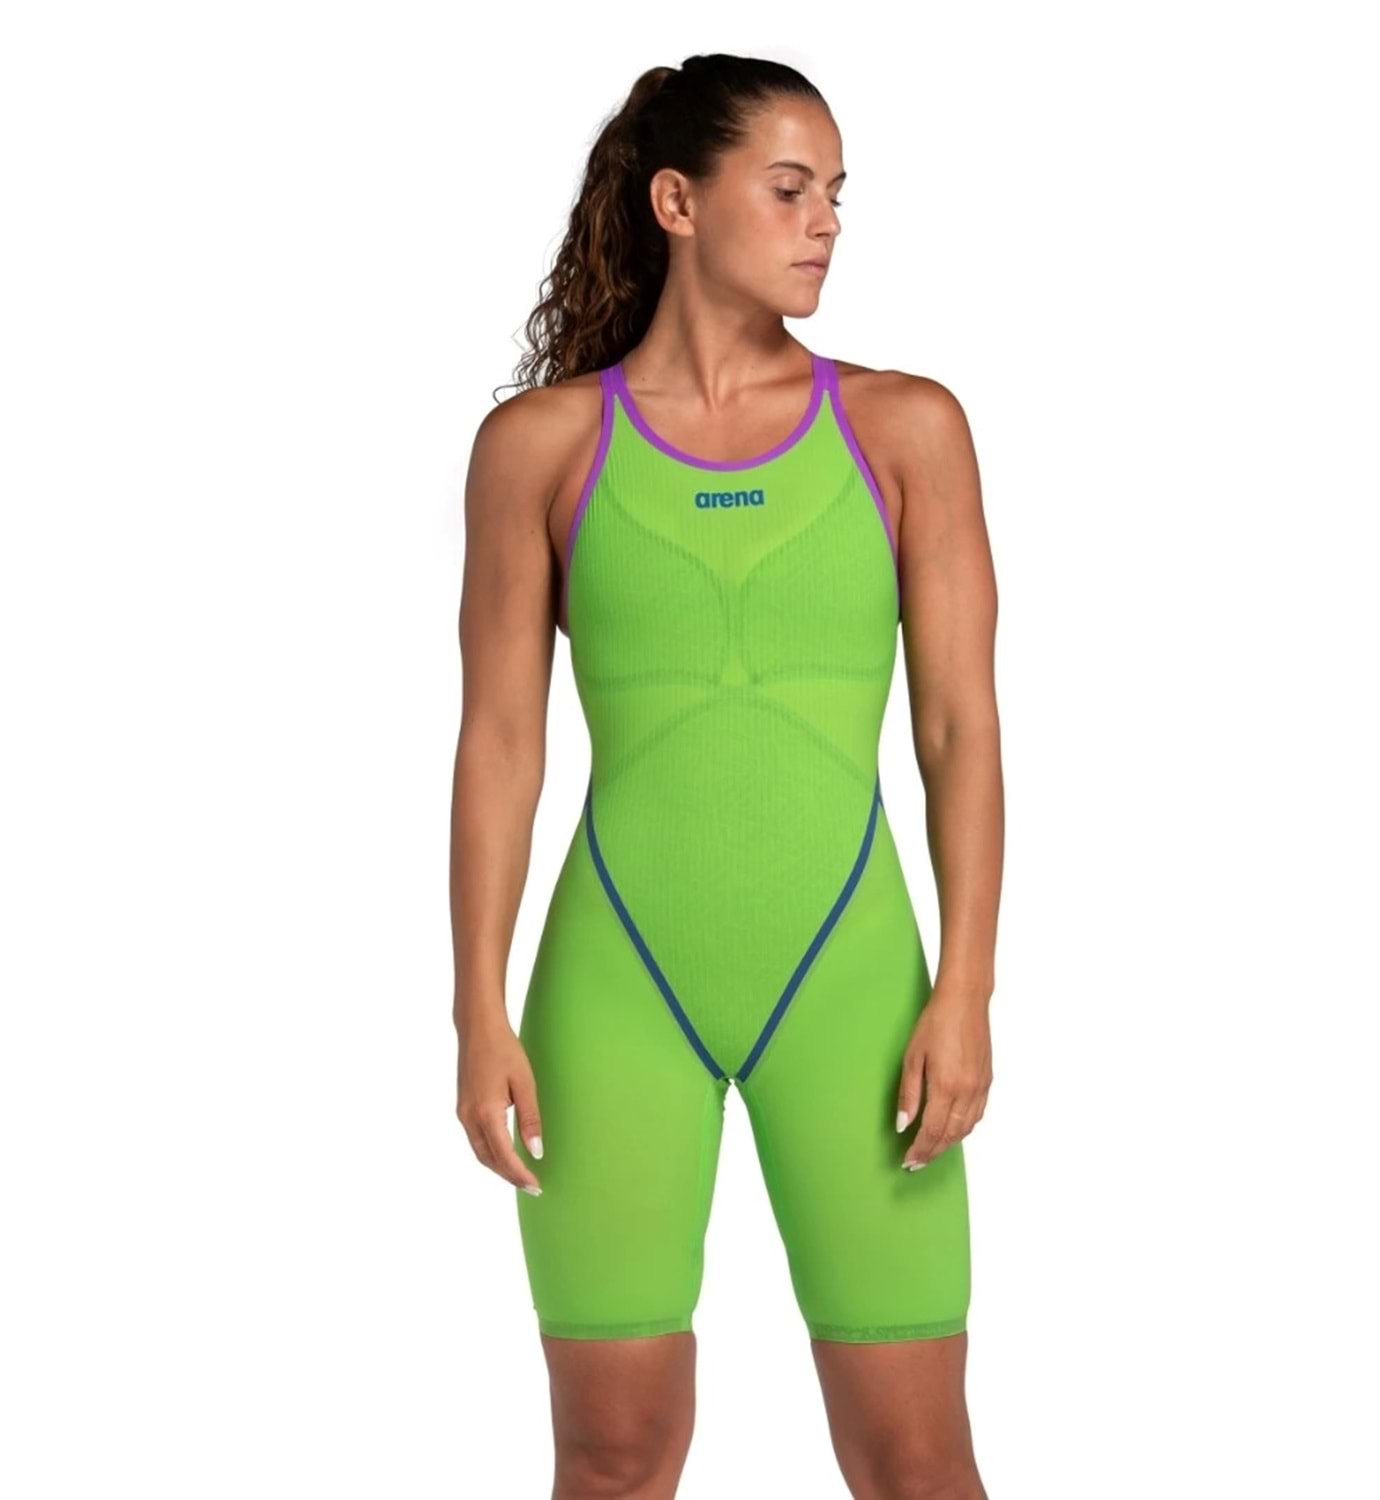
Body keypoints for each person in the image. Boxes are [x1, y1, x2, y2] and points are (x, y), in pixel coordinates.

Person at [450, 52, 1004, 1499]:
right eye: (791, 189)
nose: (827, 223)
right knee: (613, 1458)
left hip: (856, 990)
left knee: (917, 1461)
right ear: (679, 203)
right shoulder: (539, 448)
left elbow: (960, 730)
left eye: (838, 196)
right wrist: (476, 1009)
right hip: (615, 992)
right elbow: (500, 743)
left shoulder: (907, 429)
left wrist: (967, 987)